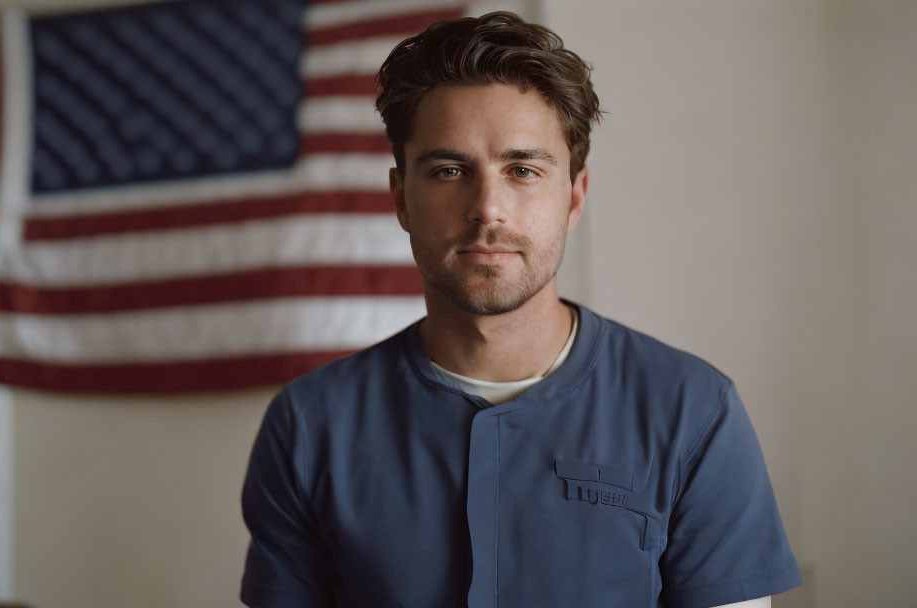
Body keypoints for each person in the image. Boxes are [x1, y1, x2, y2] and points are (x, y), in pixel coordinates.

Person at [240, 12, 802, 608]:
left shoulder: (692, 412)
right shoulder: (309, 425)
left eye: (523, 170)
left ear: (574, 197)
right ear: (402, 198)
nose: (488, 209)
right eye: (450, 170)